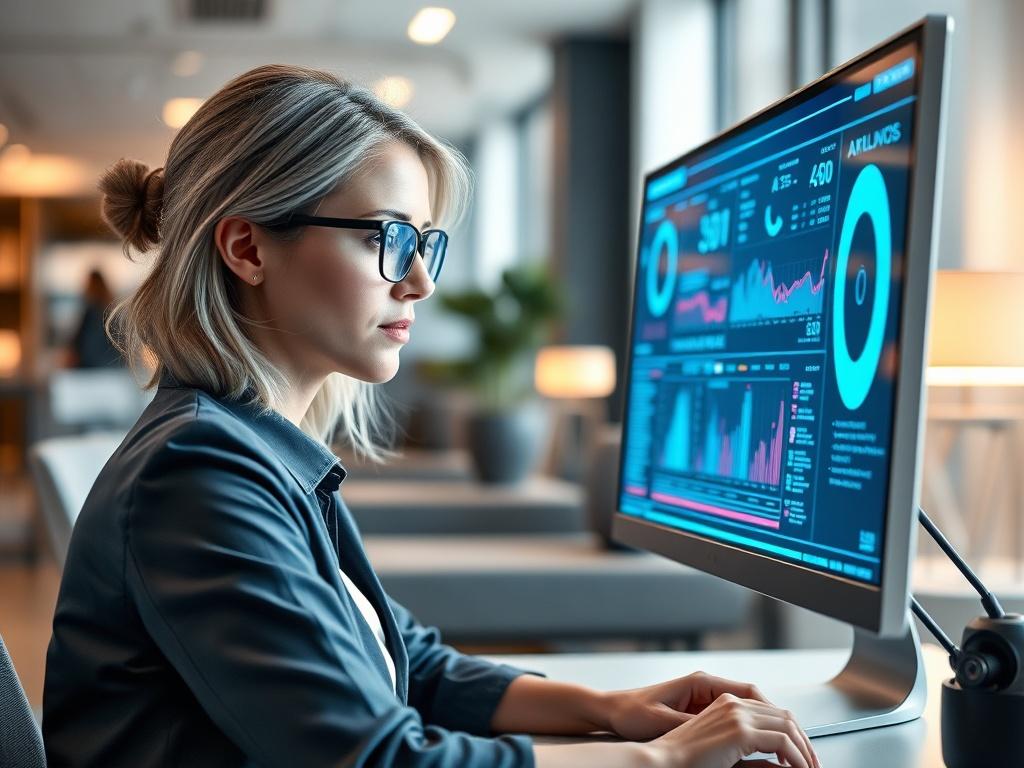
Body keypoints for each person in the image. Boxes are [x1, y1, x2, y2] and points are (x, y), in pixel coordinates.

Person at [42, 65, 818, 768]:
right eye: (389, 238)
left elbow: (410, 660)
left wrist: (613, 710)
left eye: (425, 244)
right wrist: (665, 761)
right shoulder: (200, 475)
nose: (419, 281)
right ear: (248, 248)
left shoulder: (254, 450)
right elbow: (378, 760)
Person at [69, 268, 121, 368]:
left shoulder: (91, 311)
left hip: (91, 366)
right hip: (110, 366)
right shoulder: (110, 311)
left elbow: (79, 341)